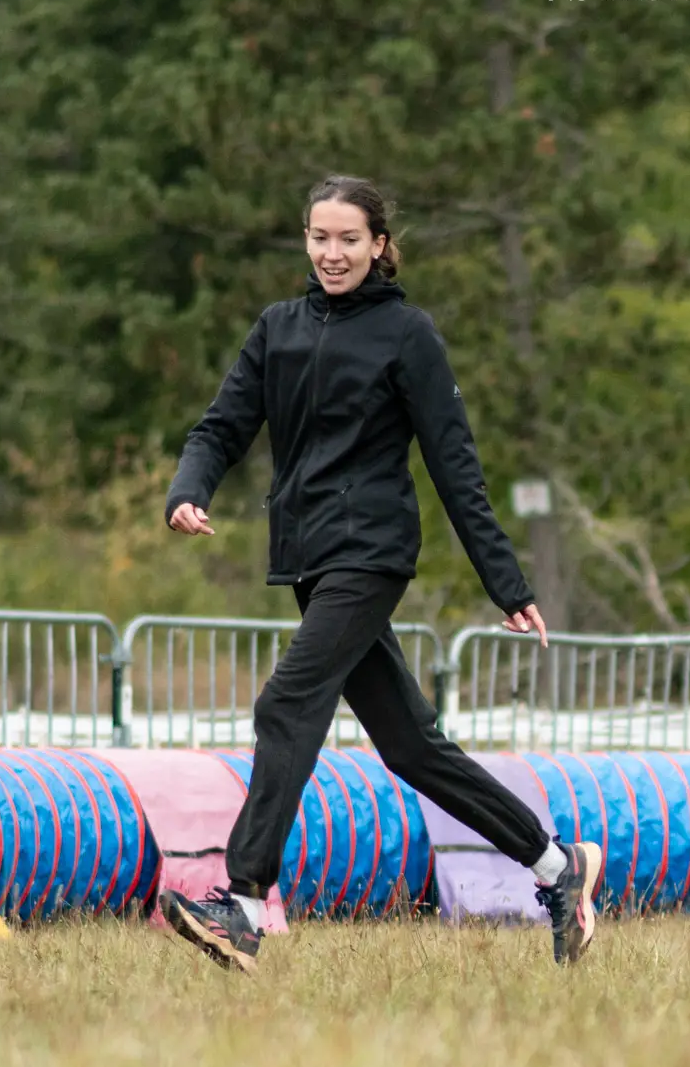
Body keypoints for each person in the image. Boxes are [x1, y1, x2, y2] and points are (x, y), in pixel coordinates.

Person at [155, 174, 602, 973]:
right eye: (319, 238)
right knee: (410, 748)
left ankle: (245, 902)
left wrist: (508, 582)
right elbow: (220, 426)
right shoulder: (278, 329)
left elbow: (454, 463)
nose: (333, 254)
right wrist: (187, 491)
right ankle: (559, 868)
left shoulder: (407, 335)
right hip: (308, 557)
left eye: (350, 240)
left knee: (286, 703)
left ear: (380, 247)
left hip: (370, 553)